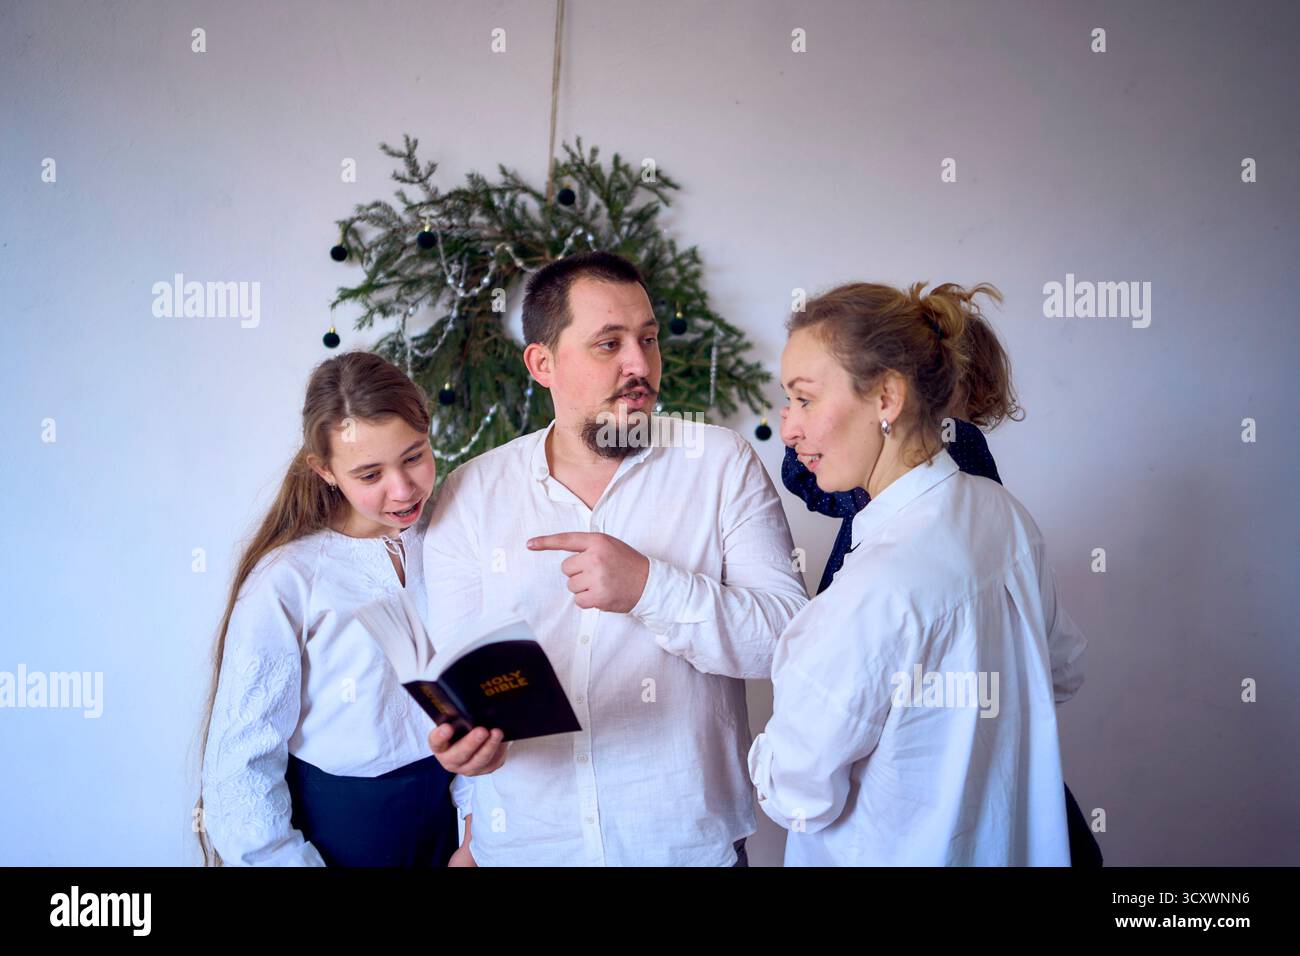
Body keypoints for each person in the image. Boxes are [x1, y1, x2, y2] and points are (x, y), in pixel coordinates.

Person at [423, 251, 809, 866]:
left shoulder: (720, 465)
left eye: (648, 339)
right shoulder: (469, 497)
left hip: (685, 850)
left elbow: (790, 641)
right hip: (524, 851)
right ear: (542, 363)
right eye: (609, 344)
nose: (640, 365)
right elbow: (462, 684)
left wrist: (650, 588)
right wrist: (471, 808)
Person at [749, 281, 1088, 865]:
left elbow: (797, 793)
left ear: (886, 398)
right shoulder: (1004, 515)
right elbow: (1060, 668)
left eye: (804, 399)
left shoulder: (870, 590)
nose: (789, 429)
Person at [196, 351, 458, 866]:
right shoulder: (286, 580)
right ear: (326, 470)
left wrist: (474, 834)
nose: (403, 490)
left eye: (413, 456)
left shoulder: (449, 537)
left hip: (453, 807)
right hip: (345, 831)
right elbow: (240, 767)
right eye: (369, 474)